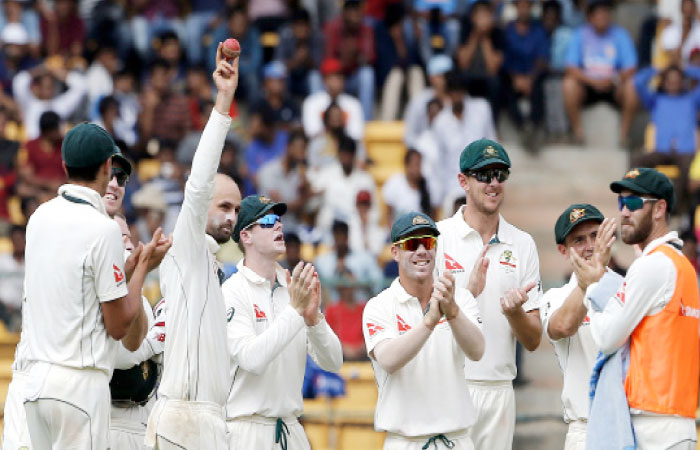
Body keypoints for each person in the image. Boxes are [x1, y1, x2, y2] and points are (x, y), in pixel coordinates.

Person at [21, 123, 163, 450]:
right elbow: (118, 327)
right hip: (78, 389)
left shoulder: (39, 218)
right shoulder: (103, 229)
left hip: (35, 385)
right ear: (105, 167)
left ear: (64, 166)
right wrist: (141, 269)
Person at [145, 43, 242, 450]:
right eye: (223, 206)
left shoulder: (214, 265)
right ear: (201, 208)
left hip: (208, 420)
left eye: (237, 209)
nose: (232, 218)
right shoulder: (186, 246)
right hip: (183, 416)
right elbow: (199, 182)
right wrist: (223, 103)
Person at [575, 168, 700, 450]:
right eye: (621, 203)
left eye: (633, 203)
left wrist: (592, 288)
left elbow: (607, 339)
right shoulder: (681, 265)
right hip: (675, 423)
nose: (625, 212)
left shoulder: (653, 264)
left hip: (654, 426)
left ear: (659, 209)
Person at [435, 139, 543, 450]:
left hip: (499, 390)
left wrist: (515, 313)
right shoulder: (439, 239)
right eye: (484, 175)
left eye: (500, 174)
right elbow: (424, 322)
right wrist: (467, 294)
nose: (494, 183)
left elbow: (533, 340)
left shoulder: (522, 244)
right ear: (463, 181)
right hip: (449, 386)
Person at [222, 195, 343, 450]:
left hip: (291, 430)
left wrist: (314, 319)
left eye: (278, 220)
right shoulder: (232, 291)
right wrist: (295, 310)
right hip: (247, 431)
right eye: (267, 221)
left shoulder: (292, 289)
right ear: (246, 236)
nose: (278, 226)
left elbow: (333, 361)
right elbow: (252, 359)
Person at [363, 211, 485, 449]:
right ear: (395, 253)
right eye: (412, 244)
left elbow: (478, 351)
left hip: (456, 439)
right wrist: (429, 322)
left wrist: (453, 313)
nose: (422, 251)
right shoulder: (379, 305)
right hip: (405, 442)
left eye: (428, 242)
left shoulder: (460, 298)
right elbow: (388, 359)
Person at [539, 204, 616, 449]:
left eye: (595, 235)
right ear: (564, 251)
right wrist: (587, 282)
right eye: (579, 240)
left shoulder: (627, 286)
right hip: (585, 429)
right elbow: (562, 327)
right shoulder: (555, 297)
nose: (590, 246)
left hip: (628, 423)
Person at [562, 0, 637, 144]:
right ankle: (578, 133)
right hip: (587, 86)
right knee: (568, 84)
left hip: (614, 86)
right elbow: (570, 67)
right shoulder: (580, 34)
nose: (603, 16)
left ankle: (623, 135)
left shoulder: (620, 34)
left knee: (632, 86)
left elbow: (631, 67)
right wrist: (593, 81)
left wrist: (614, 79)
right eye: (599, 13)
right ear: (590, 17)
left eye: (605, 12)